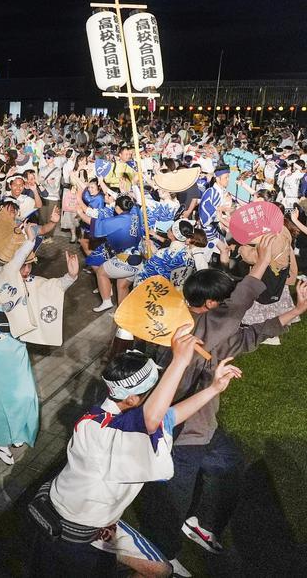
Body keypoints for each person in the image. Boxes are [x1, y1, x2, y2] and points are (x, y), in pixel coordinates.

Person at [135, 236, 307, 575]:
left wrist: (298, 310)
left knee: (228, 465)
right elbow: (241, 302)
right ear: (212, 304)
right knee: (171, 501)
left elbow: (250, 335)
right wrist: (263, 259)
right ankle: (162, 555)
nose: (232, 303)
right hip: (181, 433)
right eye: (224, 300)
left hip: (205, 425)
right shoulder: (189, 330)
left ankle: (200, 521)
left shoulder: (211, 329)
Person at [30, 329, 242, 577]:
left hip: (92, 521)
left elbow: (167, 417)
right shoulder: (107, 430)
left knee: (160, 570)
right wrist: (180, 361)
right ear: (131, 399)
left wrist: (214, 388)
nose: (156, 397)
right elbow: (153, 419)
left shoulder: (106, 417)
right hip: (75, 531)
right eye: (150, 391)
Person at [0, 225, 78, 465]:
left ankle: (17, 431)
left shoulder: (25, 279)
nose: (27, 270)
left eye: (29, 265)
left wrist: (70, 277)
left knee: (24, 395)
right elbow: (14, 267)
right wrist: (30, 241)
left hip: (16, 347)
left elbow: (49, 289)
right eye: (24, 264)